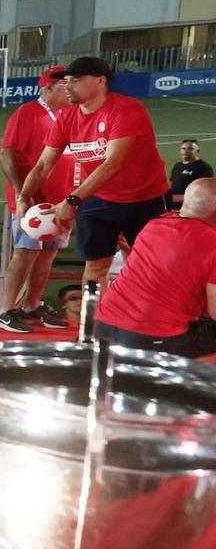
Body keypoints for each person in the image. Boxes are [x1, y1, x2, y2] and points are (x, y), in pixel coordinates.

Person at [17, 55, 171, 289]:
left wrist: (72, 199)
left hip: (145, 199)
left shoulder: (126, 110)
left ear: (100, 81)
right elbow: (43, 165)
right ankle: (91, 321)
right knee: (96, 266)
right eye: (66, 81)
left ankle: (142, 319)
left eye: (75, 80)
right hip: (98, 199)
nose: (67, 86)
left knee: (146, 264)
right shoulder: (66, 118)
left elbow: (113, 164)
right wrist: (24, 196)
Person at [95, 177, 216, 358]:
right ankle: (191, 383)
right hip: (149, 337)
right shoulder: (211, 242)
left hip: (103, 328)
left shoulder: (154, 226)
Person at [0, 67, 74, 332]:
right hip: (32, 200)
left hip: (61, 200)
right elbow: (7, 153)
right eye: (64, 84)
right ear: (47, 88)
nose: (70, 88)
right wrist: (20, 193)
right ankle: (4, 310)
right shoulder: (29, 112)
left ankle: (31, 304)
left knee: (48, 254)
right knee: (25, 253)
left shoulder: (68, 115)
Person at [171, 139, 213, 211]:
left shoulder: (204, 167)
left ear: (197, 150)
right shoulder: (177, 166)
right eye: (183, 149)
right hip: (175, 207)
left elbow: (205, 191)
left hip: (192, 208)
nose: (186, 151)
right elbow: (173, 184)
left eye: (190, 149)